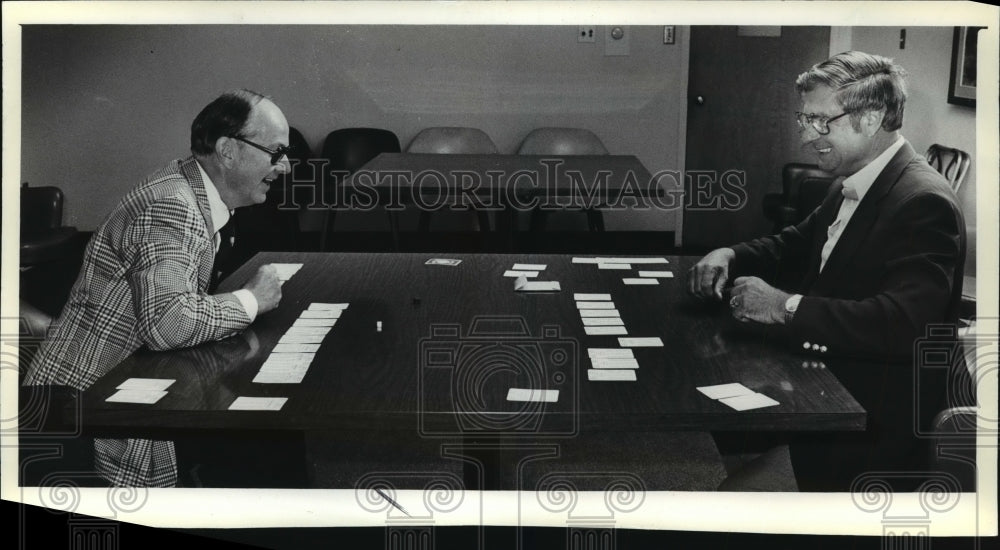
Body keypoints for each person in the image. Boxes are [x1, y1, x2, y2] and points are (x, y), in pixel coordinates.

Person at [688, 51, 968, 490]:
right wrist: (730, 254)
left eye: (821, 122)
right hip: (830, 381)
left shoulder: (922, 202)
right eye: (804, 120)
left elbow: (908, 324)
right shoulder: (856, 179)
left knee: (726, 499)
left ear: (871, 118)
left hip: (873, 424)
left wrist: (784, 307)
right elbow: (795, 245)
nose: (806, 137)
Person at [23, 89, 288, 487]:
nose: (283, 167)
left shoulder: (190, 188)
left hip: (114, 391)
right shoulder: (172, 205)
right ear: (227, 149)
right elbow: (167, 322)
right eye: (276, 152)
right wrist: (253, 299)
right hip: (78, 414)